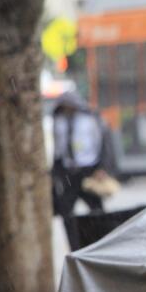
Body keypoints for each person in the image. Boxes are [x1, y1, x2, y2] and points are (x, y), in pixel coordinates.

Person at [51, 92, 106, 250]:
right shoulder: (59, 121)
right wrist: (56, 171)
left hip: (88, 170)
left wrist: (101, 167)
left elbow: (100, 143)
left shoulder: (89, 119)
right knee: (66, 211)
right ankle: (74, 245)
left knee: (97, 210)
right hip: (69, 172)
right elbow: (58, 148)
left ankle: (100, 241)